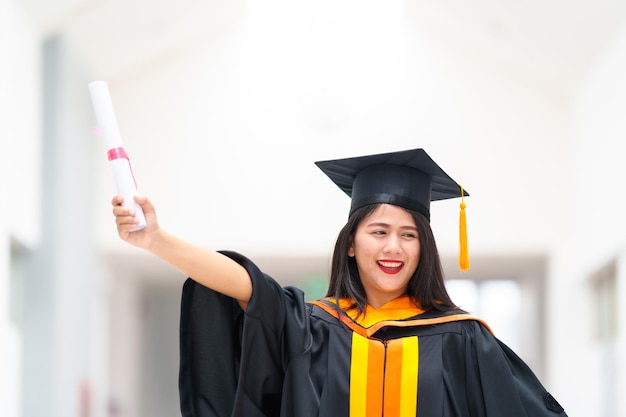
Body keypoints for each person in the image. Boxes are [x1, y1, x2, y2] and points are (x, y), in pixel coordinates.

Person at [112, 148, 567, 417]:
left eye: (409, 235)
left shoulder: (462, 339)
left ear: (423, 247)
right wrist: (155, 239)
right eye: (379, 232)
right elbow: (246, 285)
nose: (393, 247)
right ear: (351, 243)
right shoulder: (314, 328)